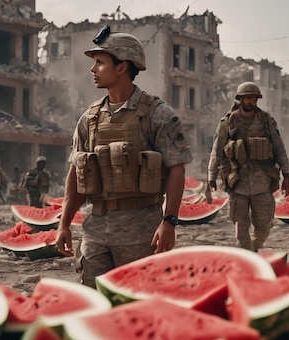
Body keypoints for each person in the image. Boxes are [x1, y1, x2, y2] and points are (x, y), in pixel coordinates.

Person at [54, 26, 192, 288]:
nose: (92, 69)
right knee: (93, 303)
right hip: (95, 230)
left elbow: (177, 167)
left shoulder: (157, 113)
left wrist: (170, 221)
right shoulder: (89, 118)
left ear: (121, 67)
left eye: (99, 62)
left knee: (141, 302)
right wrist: (64, 224)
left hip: (142, 230)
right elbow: (76, 171)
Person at [208, 82, 289, 252]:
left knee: (264, 223)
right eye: (247, 98)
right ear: (240, 99)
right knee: (241, 223)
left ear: (257, 99)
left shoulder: (266, 121)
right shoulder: (227, 122)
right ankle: (247, 253)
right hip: (237, 181)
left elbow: (279, 147)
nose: (250, 101)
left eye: (253, 98)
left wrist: (287, 176)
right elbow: (216, 150)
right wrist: (211, 176)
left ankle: (256, 245)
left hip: (262, 181)